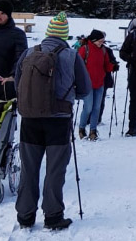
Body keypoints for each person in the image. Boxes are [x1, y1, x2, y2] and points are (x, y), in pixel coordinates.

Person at [15, 12, 91, 231]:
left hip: (30, 119)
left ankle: (25, 215)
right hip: (58, 120)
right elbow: (85, 90)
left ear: (48, 33)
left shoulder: (29, 52)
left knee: (29, 168)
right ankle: (53, 216)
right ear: (64, 35)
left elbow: (18, 84)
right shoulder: (71, 55)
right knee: (55, 170)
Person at [77, 30, 115, 141]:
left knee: (96, 108)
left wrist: (113, 66)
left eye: (103, 41)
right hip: (87, 84)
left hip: (99, 83)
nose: (101, 43)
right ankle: (82, 128)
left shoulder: (103, 50)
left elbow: (106, 65)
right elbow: (78, 65)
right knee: (88, 108)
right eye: (100, 41)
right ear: (94, 40)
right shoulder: (85, 49)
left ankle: (93, 131)